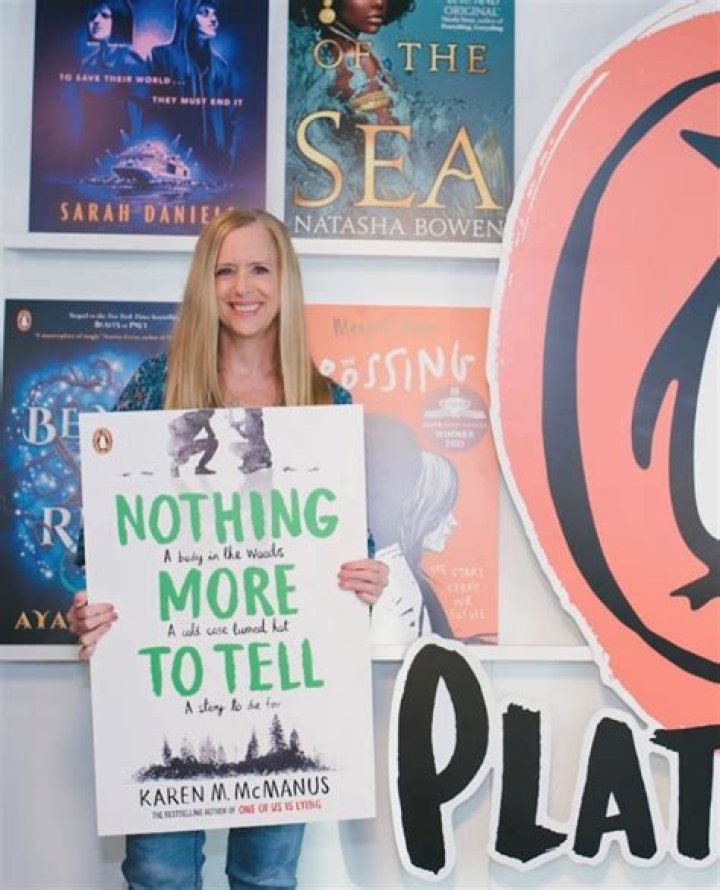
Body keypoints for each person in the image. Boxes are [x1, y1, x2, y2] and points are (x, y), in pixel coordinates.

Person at [66, 208, 389, 890]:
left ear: (285, 281)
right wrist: (91, 608)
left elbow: (347, 544)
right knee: (157, 873)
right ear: (203, 284)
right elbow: (104, 540)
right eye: (225, 270)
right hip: (167, 692)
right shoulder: (155, 389)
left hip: (284, 693)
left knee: (266, 877)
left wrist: (364, 578)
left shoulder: (324, 403)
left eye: (260, 269)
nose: (243, 287)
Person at [365, 415, 458, 643]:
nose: (453, 522)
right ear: (416, 509)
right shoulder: (392, 573)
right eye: (440, 511)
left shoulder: (407, 579)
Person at [147, 0, 239, 169]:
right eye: (204, 13)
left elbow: (230, 118)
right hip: (174, 161)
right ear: (187, 14)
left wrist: (228, 154)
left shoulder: (222, 68)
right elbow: (152, 111)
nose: (213, 19)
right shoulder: (161, 56)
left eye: (214, 13)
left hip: (215, 164)